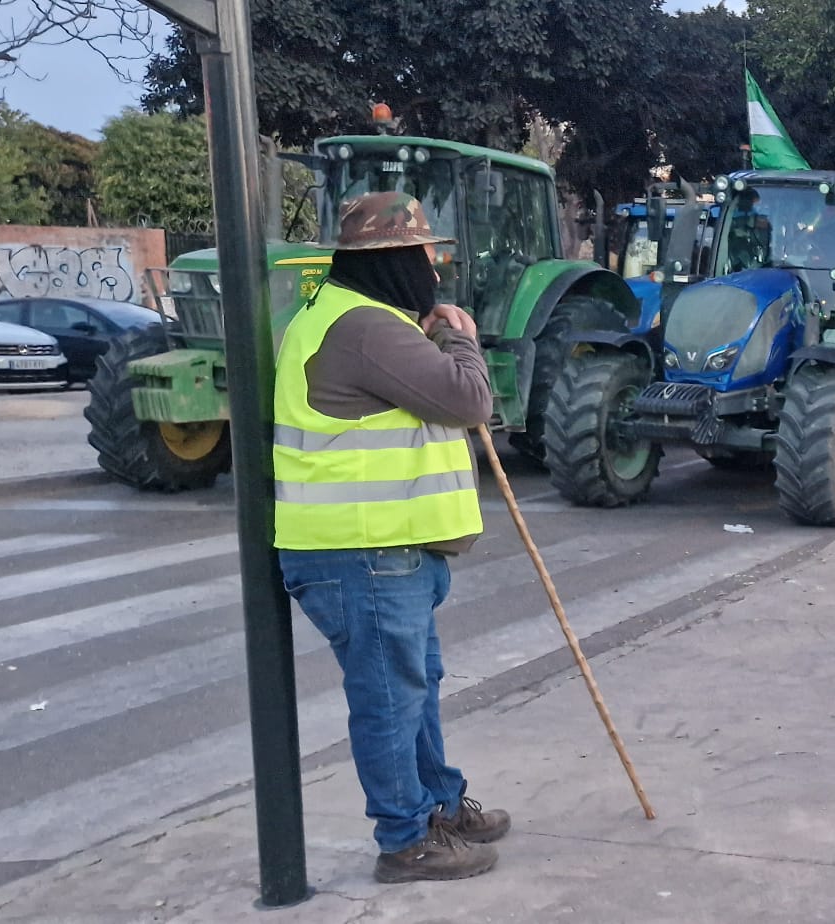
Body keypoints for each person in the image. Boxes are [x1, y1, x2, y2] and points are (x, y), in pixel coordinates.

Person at [273, 192, 508, 883]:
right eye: (424, 256)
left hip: (386, 549)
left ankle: (440, 804)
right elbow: (468, 401)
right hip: (364, 551)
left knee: (415, 688)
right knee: (390, 697)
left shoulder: (335, 316)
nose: (434, 271)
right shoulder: (366, 329)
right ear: (391, 264)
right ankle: (406, 839)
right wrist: (459, 336)